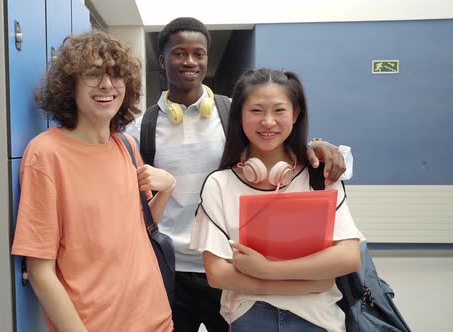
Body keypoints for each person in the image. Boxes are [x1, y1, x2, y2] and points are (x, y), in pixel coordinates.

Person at [127, 17, 352, 331]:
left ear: (207, 58)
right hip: (170, 265)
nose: (189, 61)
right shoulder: (141, 127)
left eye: (199, 53)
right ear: (162, 59)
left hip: (232, 260)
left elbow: (278, 139)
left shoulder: (235, 112)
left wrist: (316, 144)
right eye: (179, 53)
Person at [11, 31, 175, 332]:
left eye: (116, 74)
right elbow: (40, 270)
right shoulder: (47, 154)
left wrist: (167, 189)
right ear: (69, 85)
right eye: (93, 74)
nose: (107, 85)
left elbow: (141, 226)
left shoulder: (126, 145)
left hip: (157, 319)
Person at [190, 68, 361, 331]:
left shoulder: (320, 176)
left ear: (295, 114)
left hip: (318, 319)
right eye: (256, 110)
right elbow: (217, 274)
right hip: (249, 317)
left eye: (279, 111)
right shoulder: (219, 184)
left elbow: (348, 257)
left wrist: (263, 270)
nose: (268, 122)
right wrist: (313, 279)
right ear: (240, 116)